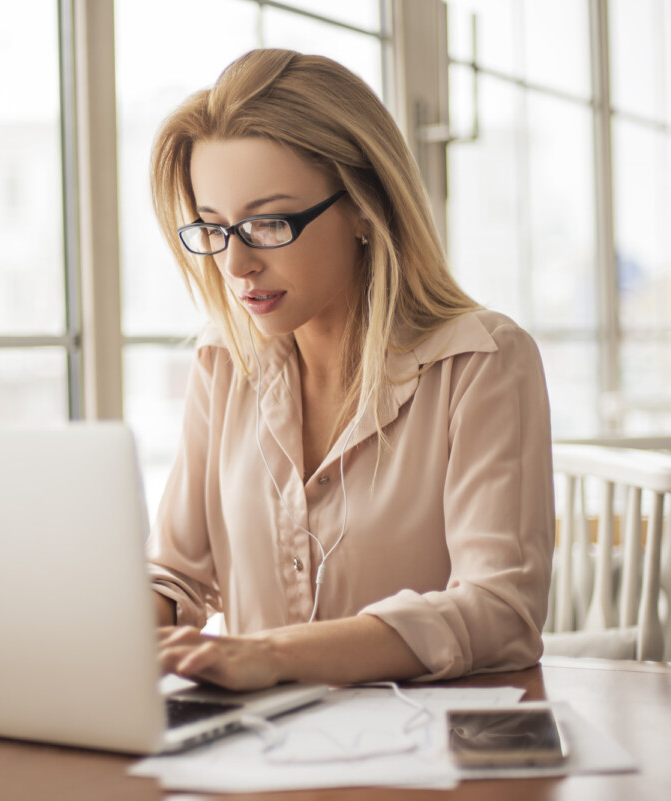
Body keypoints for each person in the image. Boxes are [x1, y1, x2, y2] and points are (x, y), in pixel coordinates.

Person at [147, 49, 554, 692]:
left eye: (269, 223)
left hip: (421, 761)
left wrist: (275, 655)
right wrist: (112, 628)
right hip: (257, 759)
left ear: (365, 207)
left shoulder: (482, 362)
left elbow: (500, 612)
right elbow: (176, 573)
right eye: (215, 228)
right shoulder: (223, 362)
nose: (237, 265)